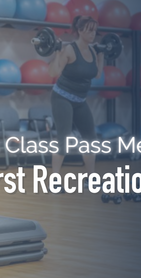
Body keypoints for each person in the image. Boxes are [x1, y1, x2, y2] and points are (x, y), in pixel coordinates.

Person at [48, 15, 104, 191]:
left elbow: (97, 74)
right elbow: (53, 72)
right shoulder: (70, 50)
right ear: (80, 31)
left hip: (80, 100)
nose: (93, 34)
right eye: (89, 30)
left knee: (91, 139)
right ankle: (54, 181)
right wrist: (56, 51)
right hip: (62, 97)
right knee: (63, 138)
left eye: (95, 30)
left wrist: (102, 54)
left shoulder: (93, 51)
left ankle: (90, 179)